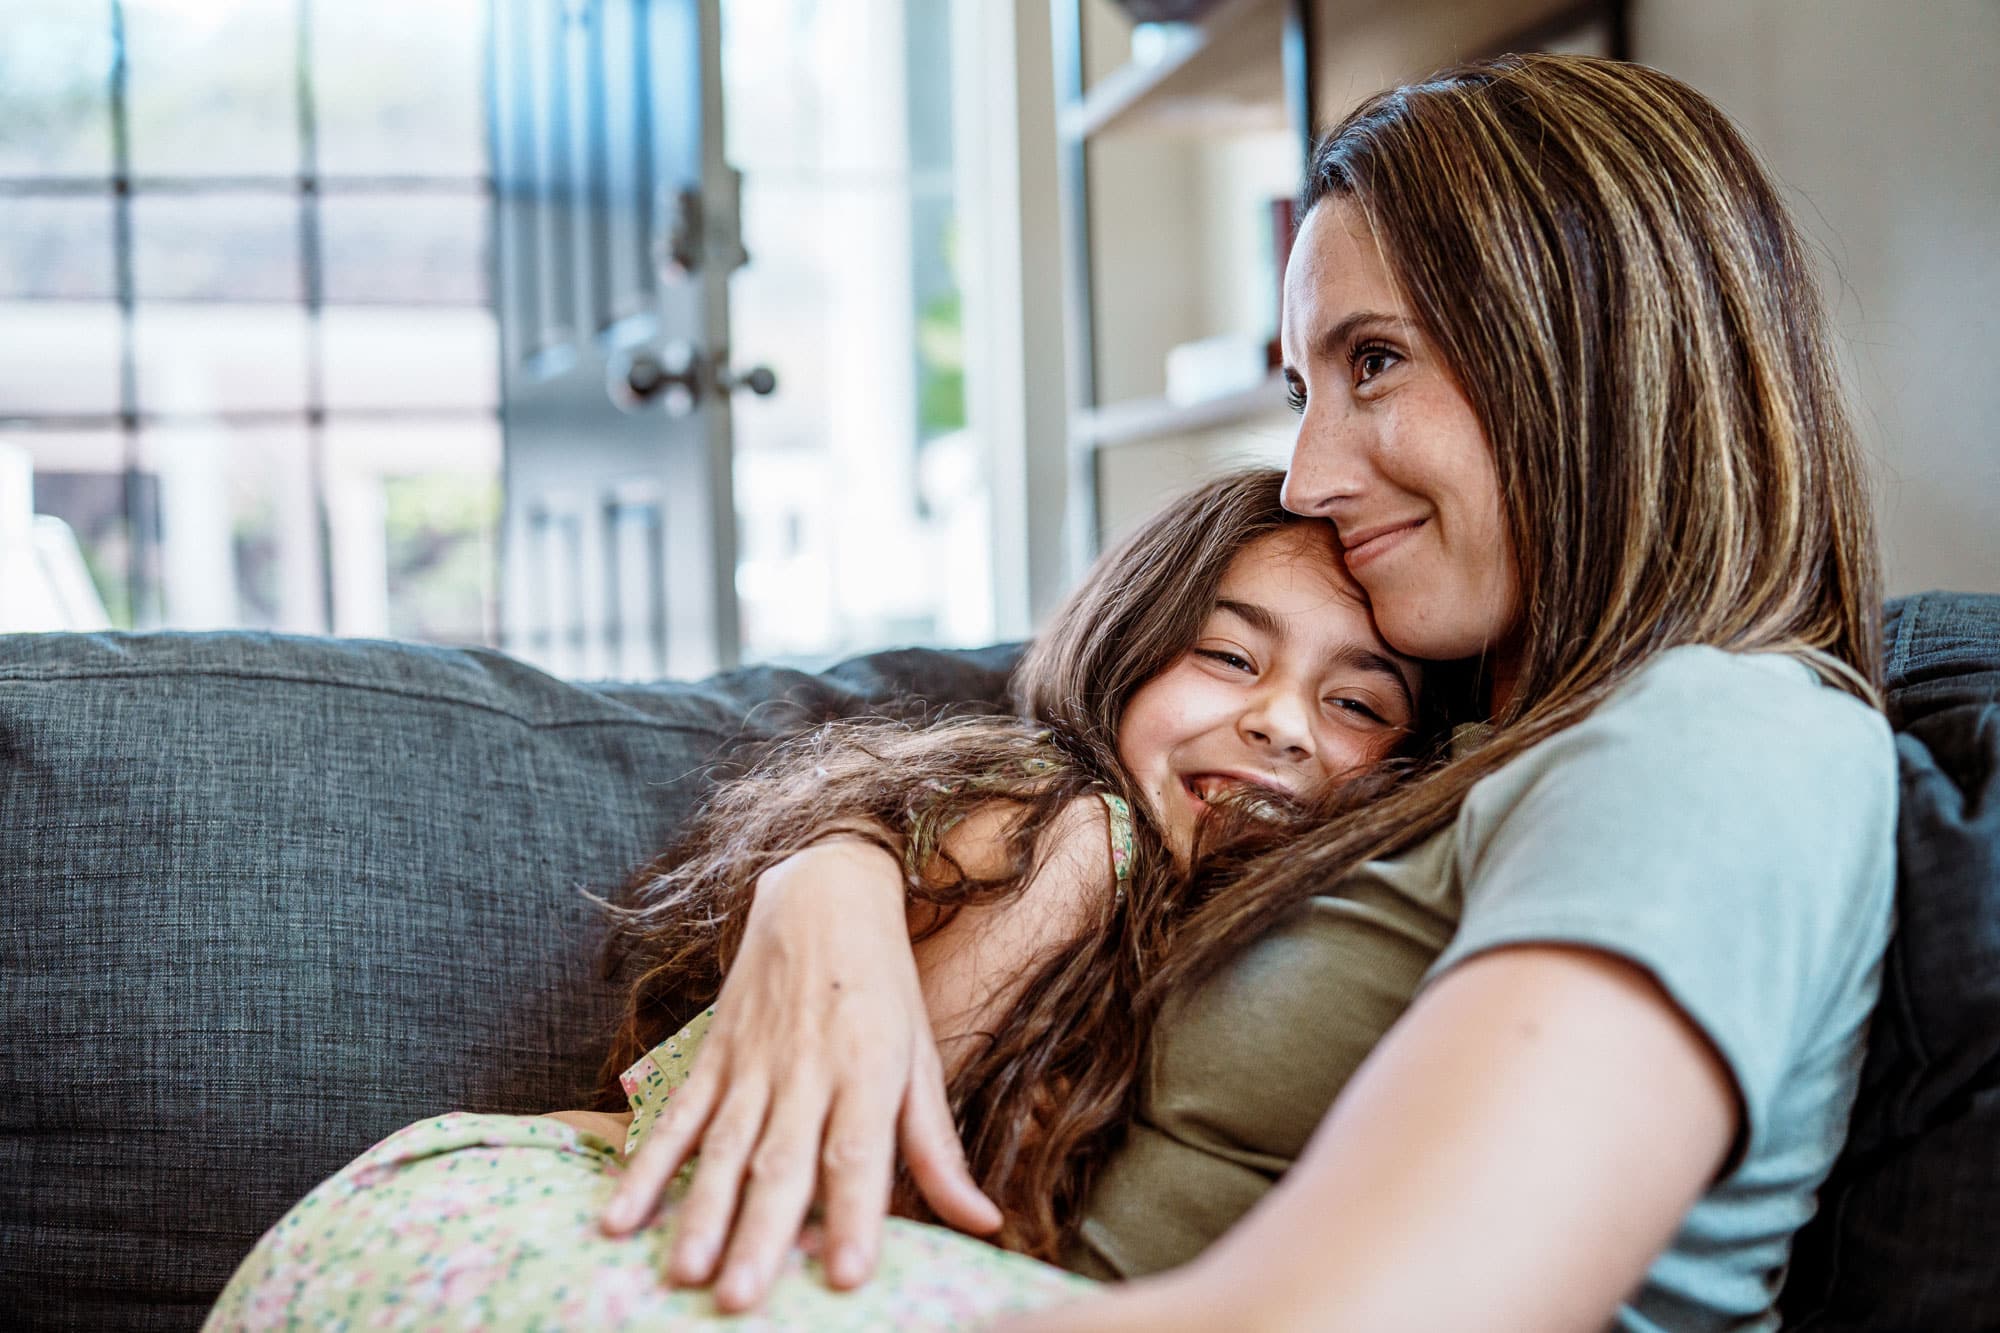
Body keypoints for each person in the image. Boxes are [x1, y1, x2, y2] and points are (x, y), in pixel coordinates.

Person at [602, 52, 1898, 1333]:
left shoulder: (1718, 741)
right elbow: (1082, 731)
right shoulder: (1459, 735)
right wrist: (832, 872)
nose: (1306, 475)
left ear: (1596, 355)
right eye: (1301, 389)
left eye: (1375, 360)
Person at [203, 467, 1433, 1329]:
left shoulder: (1194, 909)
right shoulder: (1074, 833)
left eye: (1356, 703)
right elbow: (889, 1193)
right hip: (516, 1230)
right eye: (1228, 655)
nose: (1278, 722)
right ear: (1122, 645)